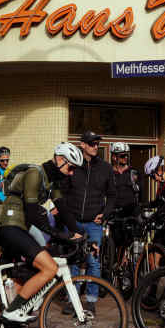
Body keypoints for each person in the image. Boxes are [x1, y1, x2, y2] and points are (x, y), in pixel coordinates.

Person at [0, 143, 83, 328]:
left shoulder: (52, 182)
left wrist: (79, 233)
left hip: (21, 228)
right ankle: (12, 312)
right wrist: (61, 235)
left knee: (22, 283)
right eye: (70, 168)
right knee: (49, 268)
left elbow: (64, 210)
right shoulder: (35, 173)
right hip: (11, 226)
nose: (71, 174)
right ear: (60, 160)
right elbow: (33, 213)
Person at [54, 130, 113, 312]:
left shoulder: (105, 168)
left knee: (93, 262)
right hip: (73, 222)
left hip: (93, 224)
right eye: (92, 143)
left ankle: (91, 301)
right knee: (72, 261)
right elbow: (61, 193)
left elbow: (112, 196)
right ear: (83, 145)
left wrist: (104, 214)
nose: (95, 146)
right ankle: (73, 301)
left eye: (97, 143)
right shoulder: (73, 166)